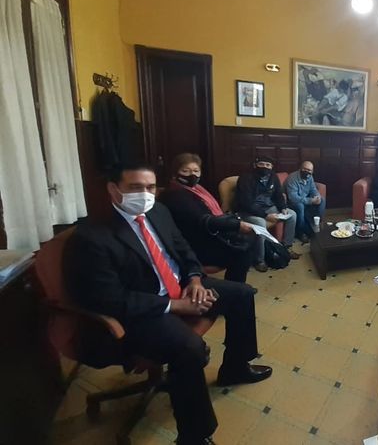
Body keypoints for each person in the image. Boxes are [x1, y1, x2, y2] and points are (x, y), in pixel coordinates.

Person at [66, 163, 272, 445]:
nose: (145, 194)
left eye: (150, 187)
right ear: (113, 190)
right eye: (135, 188)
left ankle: (235, 367)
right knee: (190, 348)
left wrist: (195, 280)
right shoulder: (92, 237)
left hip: (182, 287)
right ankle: (194, 436)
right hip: (144, 308)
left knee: (242, 294)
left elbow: (183, 249)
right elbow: (109, 298)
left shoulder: (158, 211)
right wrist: (175, 307)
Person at [160, 153, 256, 283]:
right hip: (191, 243)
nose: (192, 175)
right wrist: (236, 225)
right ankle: (235, 288)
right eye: (185, 171)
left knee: (247, 241)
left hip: (205, 233)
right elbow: (201, 219)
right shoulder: (175, 194)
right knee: (241, 252)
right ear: (175, 173)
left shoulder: (197, 189)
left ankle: (235, 286)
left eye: (196, 171)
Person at [232, 155, 300, 272]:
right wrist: (265, 215)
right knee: (260, 223)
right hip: (248, 211)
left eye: (268, 165)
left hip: (268, 207)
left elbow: (278, 195)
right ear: (255, 165)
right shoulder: (245, 178)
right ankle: (259, 260)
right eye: (261, 164)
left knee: (292, 214)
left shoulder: (273, 176)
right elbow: (246, 203)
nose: (265, 167)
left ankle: (286, 247)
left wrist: (283, 208)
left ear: (271, 167)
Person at [284, 160, 325, 243]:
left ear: (312, 171)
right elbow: (293, 198)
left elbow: (313, 189)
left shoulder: (310, 177)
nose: (307, 171)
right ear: (300, 168)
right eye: (304, 169)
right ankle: (301, 232)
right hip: (291, 203)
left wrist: (317, 197)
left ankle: (316, 224)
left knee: (322, 200)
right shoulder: (292, 178)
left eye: (309, 170)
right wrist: (310, 201)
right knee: (300, 206)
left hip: (304, 199)